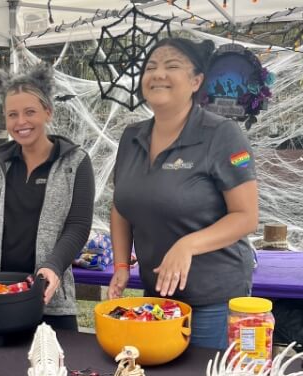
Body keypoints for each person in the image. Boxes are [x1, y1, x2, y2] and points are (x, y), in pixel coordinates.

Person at [108, 38, 259, 349]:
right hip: (157, 295)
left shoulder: (222, 135)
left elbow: (246, 217)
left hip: (212, 298)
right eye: (151, 67)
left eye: (171, 66)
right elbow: (121, 206)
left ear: (196, 81)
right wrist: (121, 266)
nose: (158, 74)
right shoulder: (131, 137)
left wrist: (188, 245)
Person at [0, 63, 95, 331]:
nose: (21, 122)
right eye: (12, 115)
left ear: (48, 112)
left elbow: (78, 226)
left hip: (49, 300)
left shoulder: (75, 162)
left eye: (29, 112)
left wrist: (53, 266)